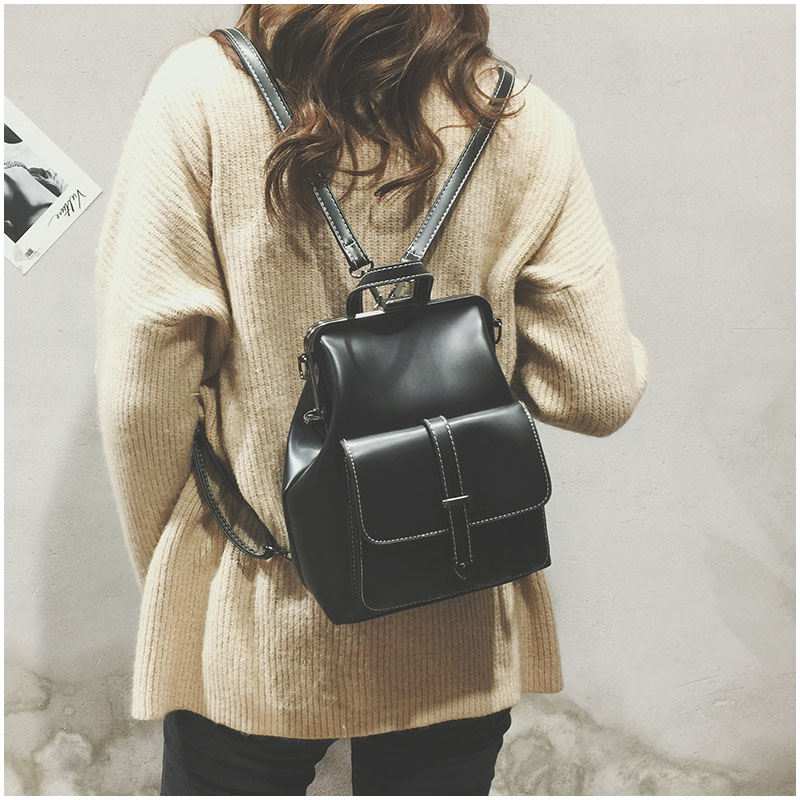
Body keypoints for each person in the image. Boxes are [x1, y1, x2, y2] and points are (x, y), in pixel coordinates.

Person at [94, 4, 649, 795]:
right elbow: (596, 392)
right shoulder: (520, 117)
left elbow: (141, 391)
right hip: (456, 608)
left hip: (262, 616)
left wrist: (181, 583)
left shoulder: (204, 95)